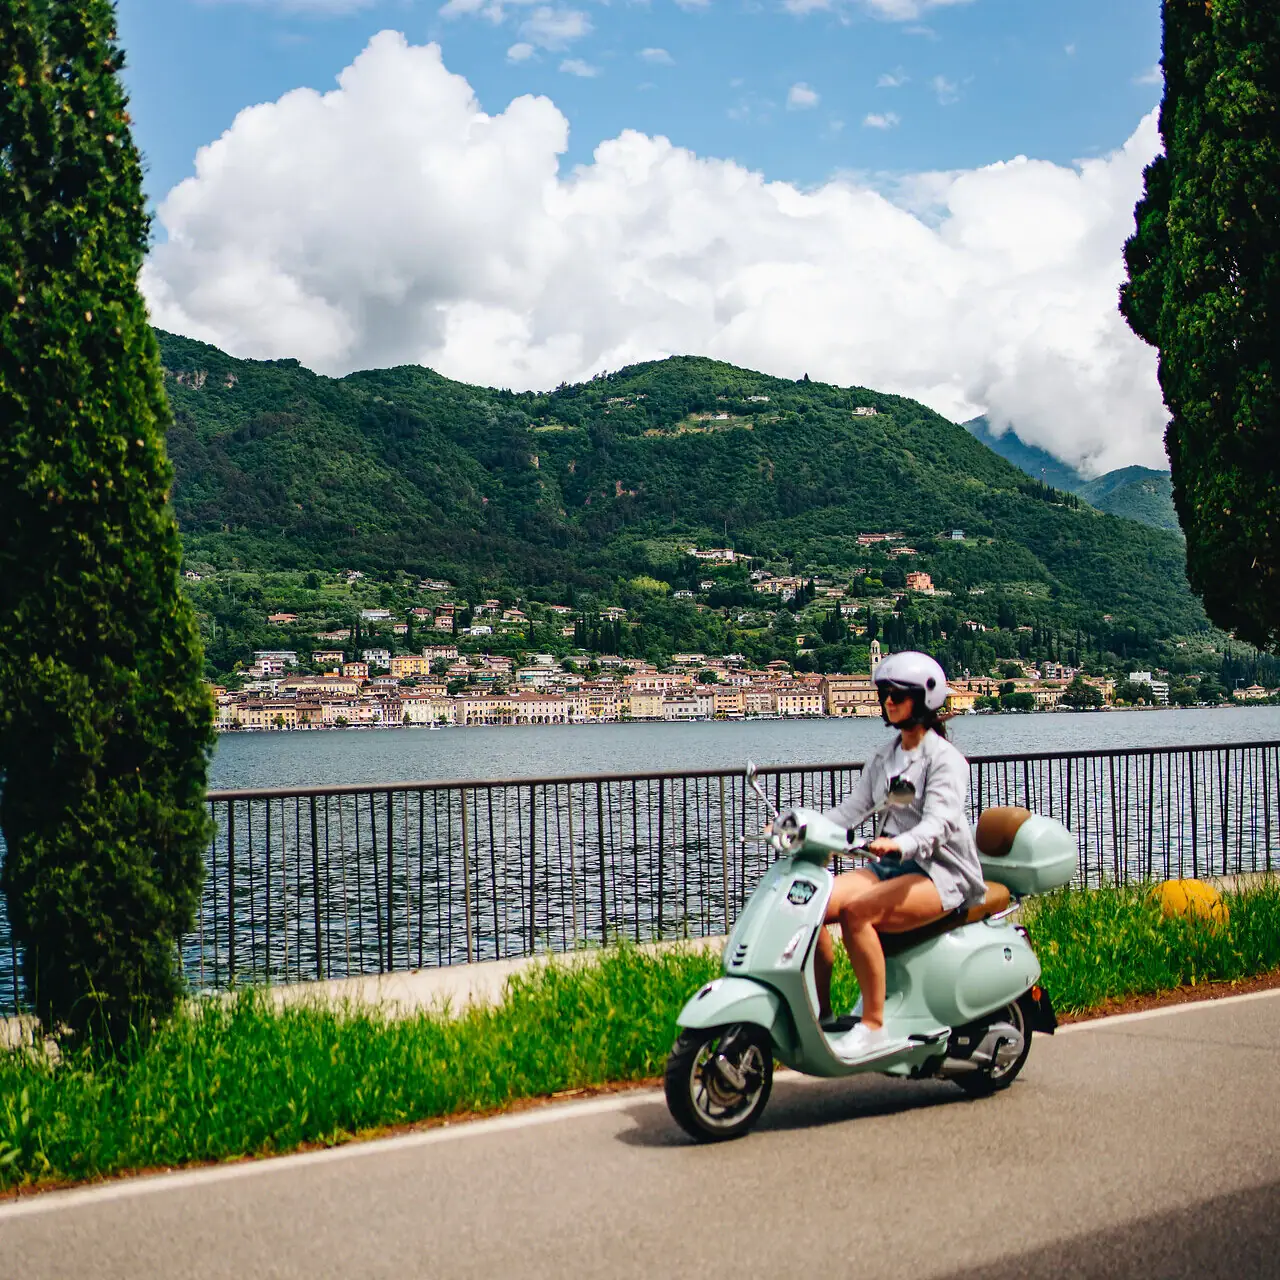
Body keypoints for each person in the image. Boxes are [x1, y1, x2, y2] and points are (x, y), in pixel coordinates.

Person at [814, 651, 987, 1058]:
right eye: (884, 694)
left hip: (941, 873)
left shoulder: (946, 760)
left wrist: (901, 843)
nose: (888, 701)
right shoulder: (884, 756)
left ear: (925, 699)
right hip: (893, 866)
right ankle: (821, 1016)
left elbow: (939, 823)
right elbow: (850, 811)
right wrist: (800, 827)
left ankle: (872, 1026)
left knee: (858, 914)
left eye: (898, 694)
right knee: (813, 904)